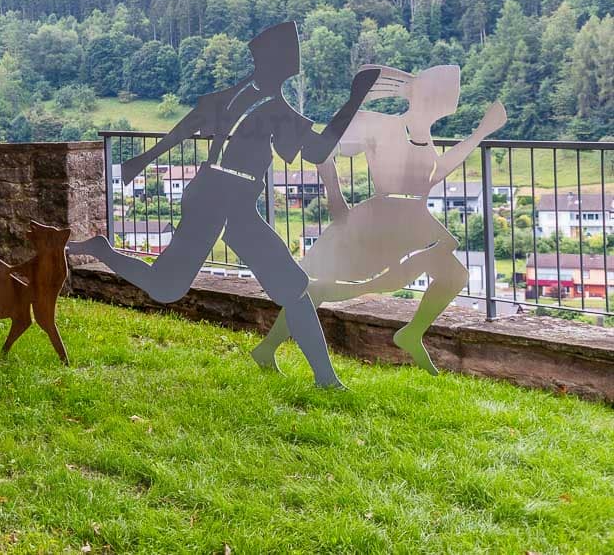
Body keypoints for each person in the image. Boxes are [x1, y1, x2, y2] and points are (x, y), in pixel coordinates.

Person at [71, 22, 378, 387]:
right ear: (280, 64)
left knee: (291, 286)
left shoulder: (245, 100)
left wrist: (142, 160)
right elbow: (318, 150)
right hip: (215, 196)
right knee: (167, 288)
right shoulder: (266, 107)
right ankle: (102, 250)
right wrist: (355, 98)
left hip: (231, 200)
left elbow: (185, 128)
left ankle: (326, 379)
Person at [250, 65, 506, 374]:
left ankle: (411, 333)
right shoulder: (380, 125)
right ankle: (268, 347)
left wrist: (480, 133)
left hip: (413, 218)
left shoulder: (423, 136)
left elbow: (435, 172)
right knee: (330, 287)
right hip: (381, 218)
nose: (443, 104)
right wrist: (335, 197)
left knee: (454, 275)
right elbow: (322, 150)